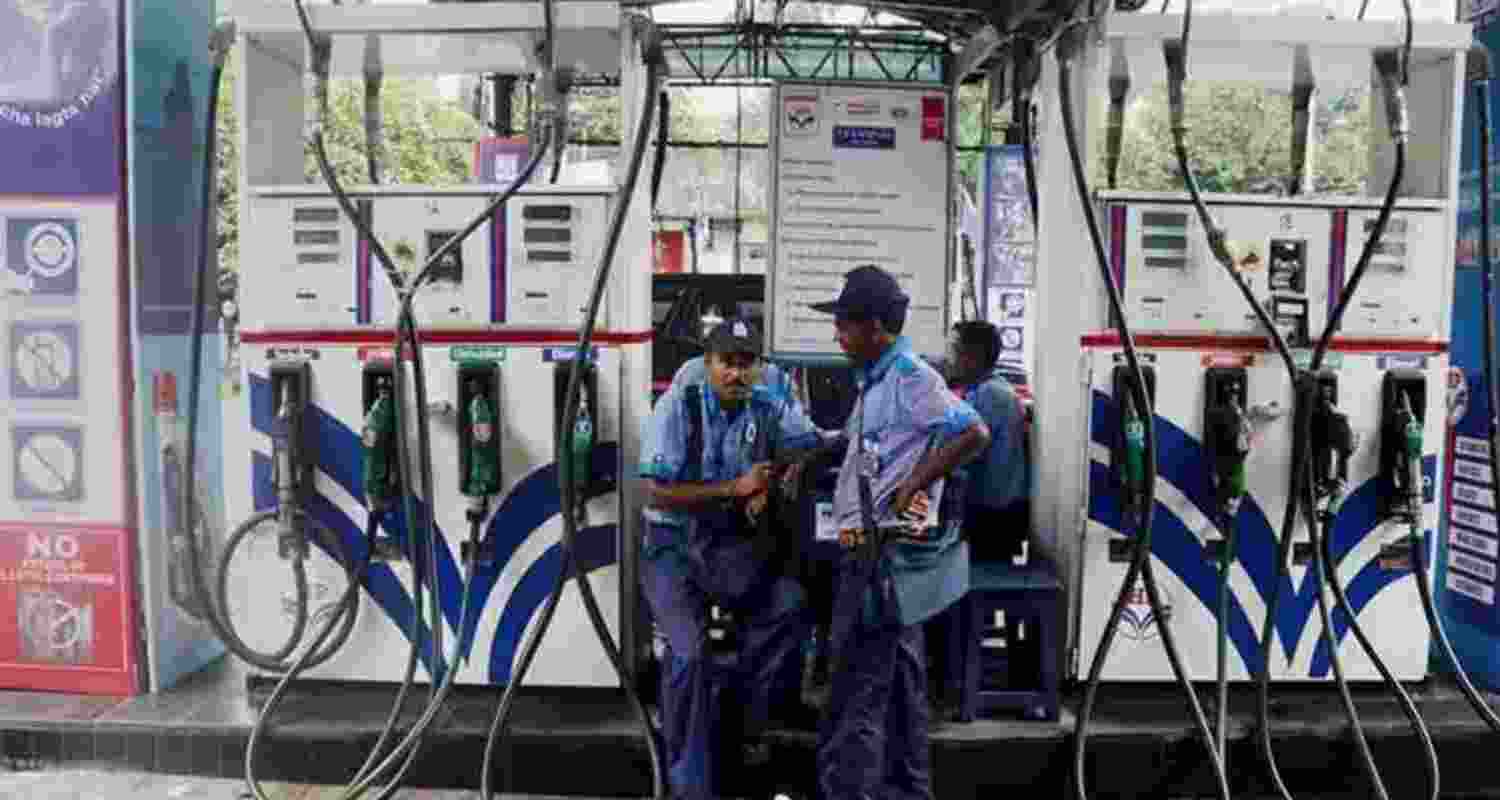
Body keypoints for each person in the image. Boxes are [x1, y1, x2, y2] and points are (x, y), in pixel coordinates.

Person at [810, 265, 991, 800]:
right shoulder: (878, 382)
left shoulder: (910, 377)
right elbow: (863, 446)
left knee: (855, 693)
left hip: (879, 558)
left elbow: (972, 432)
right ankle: (907, 790)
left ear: (875, 328)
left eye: (844, 324)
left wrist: (916, 480)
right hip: (878, 556)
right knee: (900, 691)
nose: (837, 335)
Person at [639, 317, 822, 800]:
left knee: (787, 605)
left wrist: (777, 476)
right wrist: (733, 489)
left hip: (729, 548)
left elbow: (809, 445)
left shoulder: (768, 401)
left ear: (760, 367)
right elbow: (656, 493)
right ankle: (688, 781)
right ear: (708, 363)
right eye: (727, 363)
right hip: (672, 548)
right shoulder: (678, 406)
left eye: (747, 363)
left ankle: (739, 726)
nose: (737, 374)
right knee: (690, 654)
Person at [948, 320, 1030, 562]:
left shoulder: (990, 395)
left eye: (954, 351)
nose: (949, 359)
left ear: (972, 358)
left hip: (994, 516)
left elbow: (959, 450)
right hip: (996, 511)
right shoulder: (990, 388)